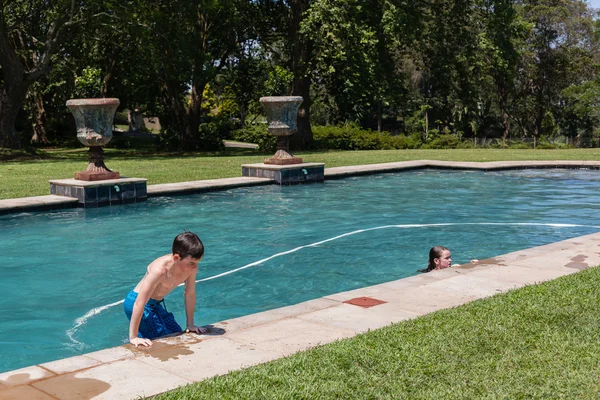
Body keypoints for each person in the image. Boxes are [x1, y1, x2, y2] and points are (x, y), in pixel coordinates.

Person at [124, 231, 207, 347]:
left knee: (176, 332)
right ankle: (137, 333)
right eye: (191, 263)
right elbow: (139, 302)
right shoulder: (160, 270)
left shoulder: (191, 268)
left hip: (155, 304)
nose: (194, 266)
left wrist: (190, 324)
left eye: (197, 262)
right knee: (164, 340)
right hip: (136, 302)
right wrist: (133, 337)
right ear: (177, 257)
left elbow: (190, 294)